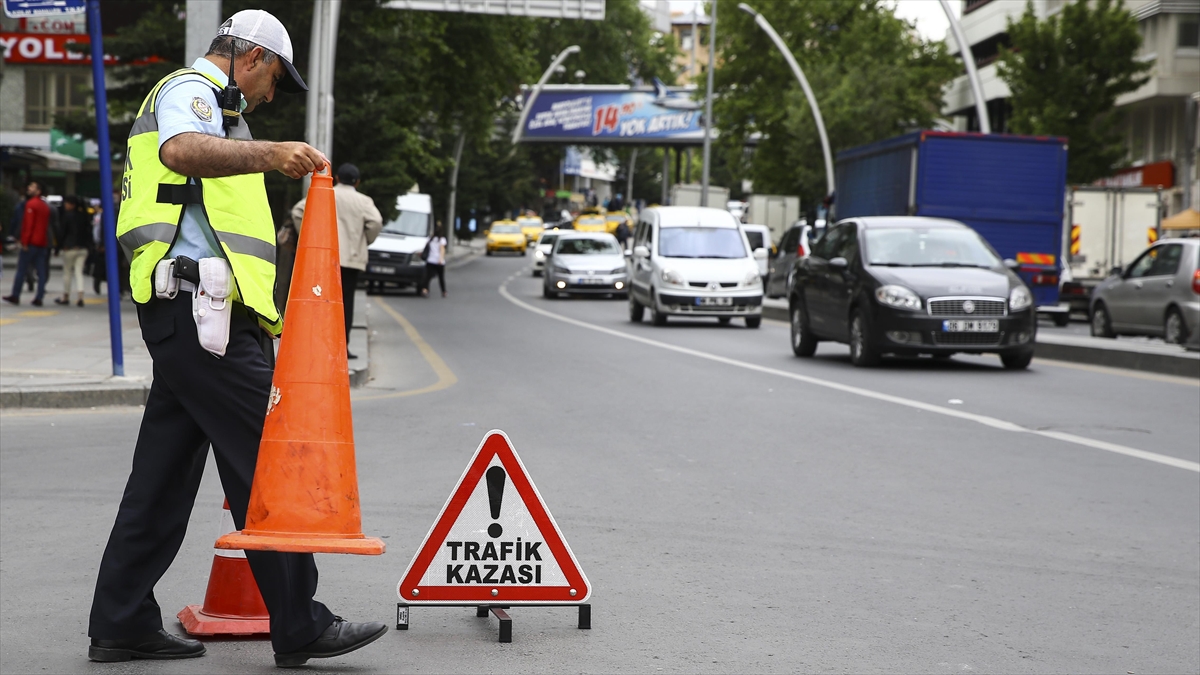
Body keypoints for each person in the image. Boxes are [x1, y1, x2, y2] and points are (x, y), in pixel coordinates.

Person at [87, 10, 386, 667]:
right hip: (202, 312)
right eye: (274, 78)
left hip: (199, 315)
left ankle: (121, 619)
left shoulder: (222, 114)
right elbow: (179, 153)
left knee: (161, 480)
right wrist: (272, 153)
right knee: (270, 465)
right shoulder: (190, 91)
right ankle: (300, 622)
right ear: (249, 56)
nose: (271, 94)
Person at [291, 162, 381, 359]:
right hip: (351, 259)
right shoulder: (364, 201)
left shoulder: (325, 192)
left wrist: (308, 237)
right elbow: (376, 222)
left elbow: (298, 211)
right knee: (345, 303)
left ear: (338, 178)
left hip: (323, 256)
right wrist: (364, 241)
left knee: (320, 299)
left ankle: (316, 345)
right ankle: (342, 347)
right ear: (357, 182)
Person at [3, 181, 51, 306]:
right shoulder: (45, 206)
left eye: (32, 187)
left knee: (21, 269)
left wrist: (24, 241)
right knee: (41, 270)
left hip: (31, 242)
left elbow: (28, 225)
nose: (29, 188)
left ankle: (15, 295)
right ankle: (39, 296)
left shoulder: (31, 205)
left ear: (38, 191)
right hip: (42, 242)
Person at [54, 196, 94, 307]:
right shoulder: (85, 216)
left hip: (69, 247)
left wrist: (58, 248)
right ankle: (80, 296)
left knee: (67, 272)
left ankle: (66, 296)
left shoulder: (67, 216)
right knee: (79, 272)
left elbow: (62, 233)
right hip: (83, 248)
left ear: (72, 205)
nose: (65, 206)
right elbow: (89, 233)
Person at [422, 222, 448, 298]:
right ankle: (443, 291)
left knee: (428, 277)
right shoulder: (442, 240)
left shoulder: (430, 239)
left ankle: (425, 289)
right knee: (441, 277)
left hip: (430, 260)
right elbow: (442, 249)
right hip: (439, 261)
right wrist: (441, 259)